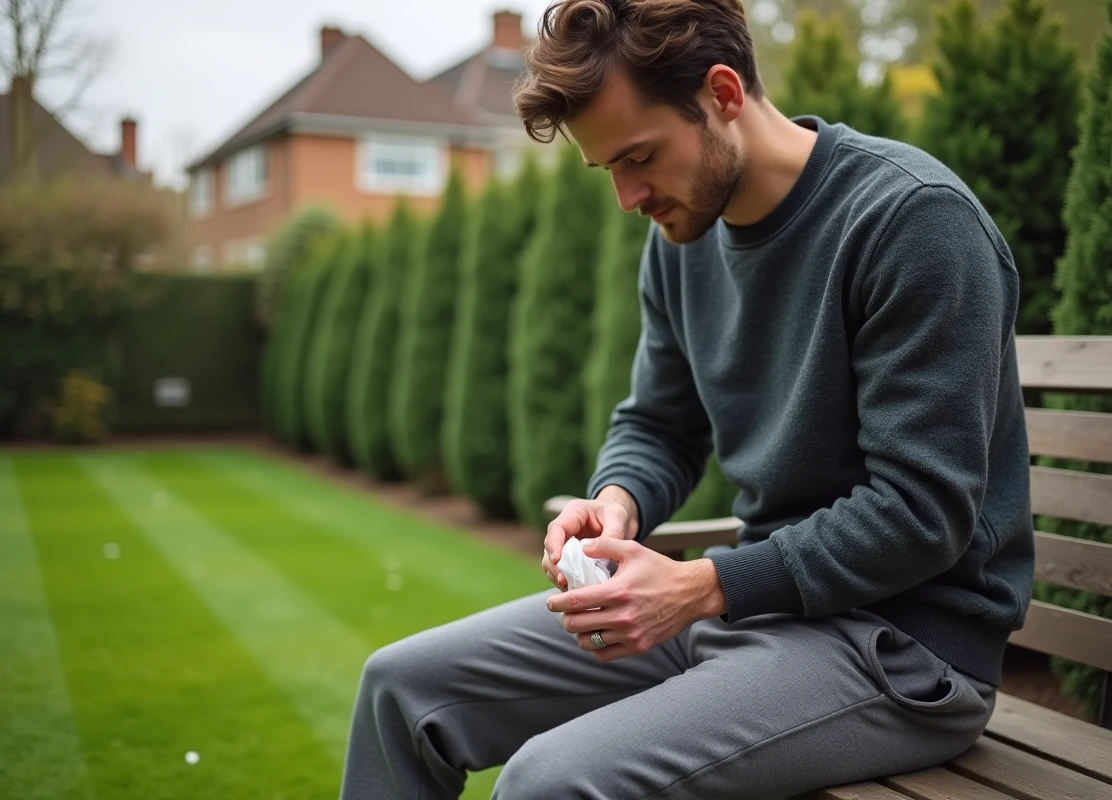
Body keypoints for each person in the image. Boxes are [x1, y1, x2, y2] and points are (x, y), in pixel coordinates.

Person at [339, 0, 1035, 797]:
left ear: (724, 93)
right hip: (755, 611)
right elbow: (661, 423)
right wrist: (618, 502)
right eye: (609, 170)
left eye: (639, 157)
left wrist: (703, 587)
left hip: (903, 648)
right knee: (400, 687)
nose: (628, 197)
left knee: (548, 782)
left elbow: (922, 513)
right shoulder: (682, 241)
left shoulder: (912, 221)